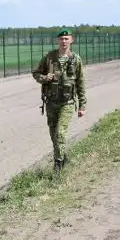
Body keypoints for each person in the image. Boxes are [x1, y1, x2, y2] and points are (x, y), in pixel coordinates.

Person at [32, 28, 87, 172]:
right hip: (51, 103)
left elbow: (80, 82)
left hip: (67, 103)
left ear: (71, 40)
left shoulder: (76, 59)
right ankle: (63, 156)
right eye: (61, 39)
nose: (64, 41)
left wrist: (82, 105)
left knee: (60, 133)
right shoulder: (49, 57)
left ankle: (58, 165)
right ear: (58, 41)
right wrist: (45, 78)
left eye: (66, 39)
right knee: (53, 135)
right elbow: (35, 73)